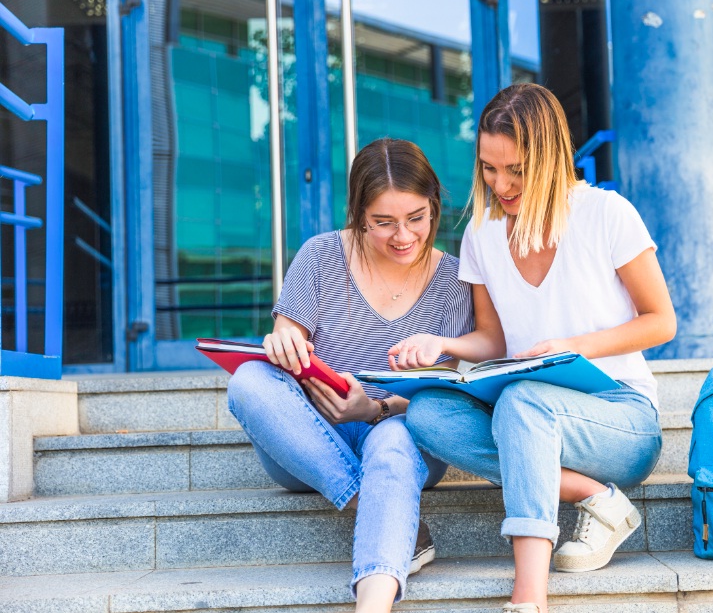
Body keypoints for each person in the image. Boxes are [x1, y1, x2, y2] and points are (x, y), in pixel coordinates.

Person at [387, 83, 676, 613]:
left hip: (620, 418)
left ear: (548, 156)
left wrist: (574, 346)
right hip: (527, 413)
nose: (500, 183)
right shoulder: (481, 232)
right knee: (427, 414)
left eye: (515, 169)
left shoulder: (606, 214)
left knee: (523, 400)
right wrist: (441, 344)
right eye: (489, 168)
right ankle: (596, 498)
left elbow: (662, 321)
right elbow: (493, 340)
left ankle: (529, 596)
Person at [226, 138, 473, 613]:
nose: (403, 236)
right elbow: (288, 333)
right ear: (359, 213)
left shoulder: (456, 282)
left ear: (434, 206)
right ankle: (374, 505)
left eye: (416, 218)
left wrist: (376, 408)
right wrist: (283, 344)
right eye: (383, 222)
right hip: (312, 442)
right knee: (249, 382)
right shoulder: (319, 256)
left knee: (394, 439)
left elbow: (452, 388)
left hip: (403, 435)